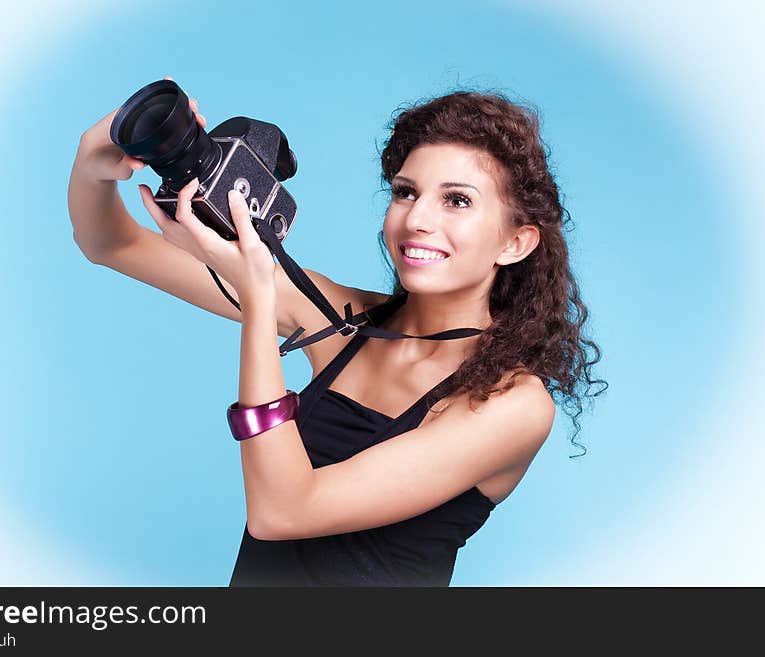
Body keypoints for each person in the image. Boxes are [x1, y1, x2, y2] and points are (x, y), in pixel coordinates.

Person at [68, 83, 606, 586]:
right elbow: (111, 244)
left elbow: (282, 511)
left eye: (457, 200)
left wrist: (259, 300)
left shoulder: (513, 402)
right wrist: (94, 157)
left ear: (515, 242)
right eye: (405, 192)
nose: (416, 218)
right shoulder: (342, 318)